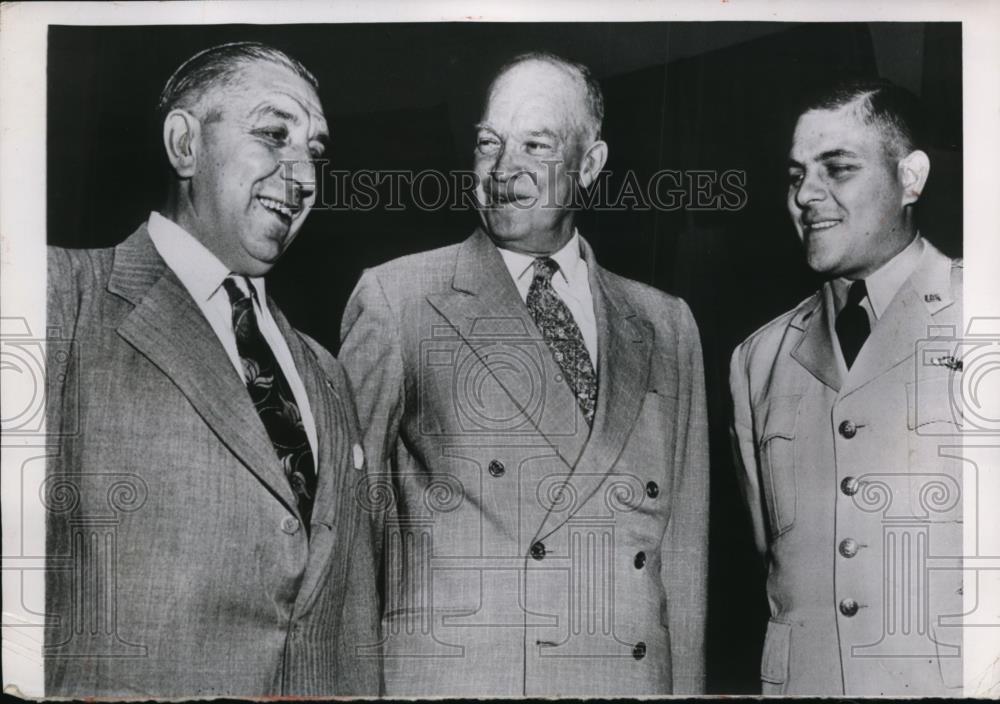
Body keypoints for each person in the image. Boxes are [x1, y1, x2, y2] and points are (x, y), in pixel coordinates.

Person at [339, 52, 708, 697]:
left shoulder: (666, 324)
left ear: (589, 165)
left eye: (535, 145)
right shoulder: (399, 300)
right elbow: (344, 536)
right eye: (489, 144)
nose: (503, 171)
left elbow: (684, 561)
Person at [44, 42, 381, 697]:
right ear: (184, 144)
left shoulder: (326, 373)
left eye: (315, 151)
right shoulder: (59, 296)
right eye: (274, 134)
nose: (305, 175)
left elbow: (352, 629)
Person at [729, 78, 963, 696]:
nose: (807, 194)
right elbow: (771, 558)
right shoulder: (758, 358)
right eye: (796, 175)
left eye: (837, 168)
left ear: (911, 179)